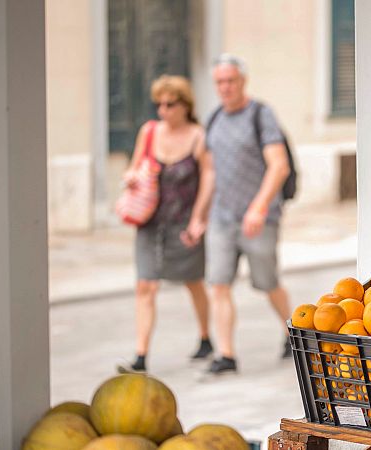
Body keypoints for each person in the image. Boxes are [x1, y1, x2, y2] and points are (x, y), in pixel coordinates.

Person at [201, 54, 292, 374]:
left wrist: (259, 206)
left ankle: (291, 333)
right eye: (220, 82)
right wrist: (199, 214)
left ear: (243, 82)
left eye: (231, 81)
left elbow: (279, 166)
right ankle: (226, 354)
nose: (225, 87)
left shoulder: (260, 115)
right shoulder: (213, 119)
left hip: (259, 218)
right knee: (218, 284)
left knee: (268, 282)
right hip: (222, 218)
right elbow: (210, 173)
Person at [120, 75, 214, 372]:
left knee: (193, 282)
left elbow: (209, 179)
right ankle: (141, 355)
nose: (163, 110)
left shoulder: (199, 136)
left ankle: (205, 337)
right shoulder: (149, 132)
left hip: (183, 223)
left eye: (170, 104)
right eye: (159, 104)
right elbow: (134, 167)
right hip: (150, 223)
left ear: (185, 105)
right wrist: (130, 177)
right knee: (145, 285)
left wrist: (199, 218)